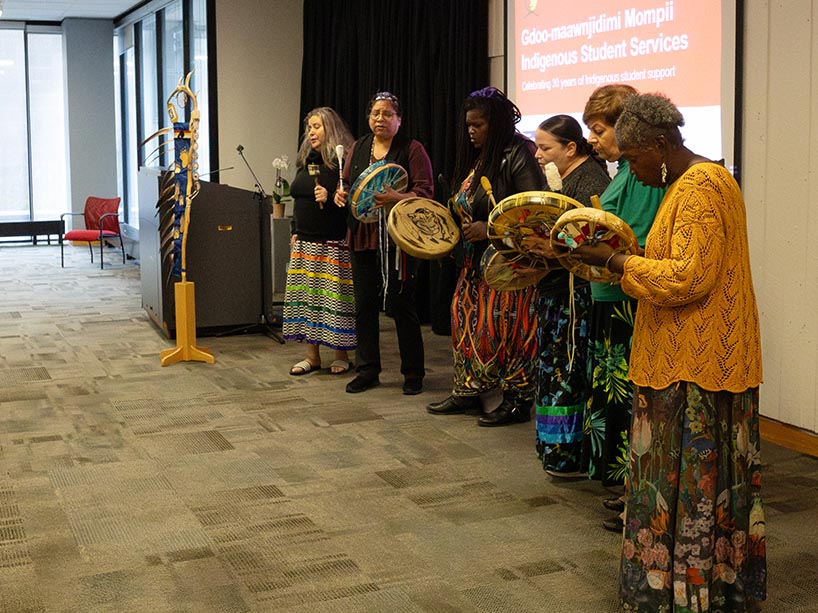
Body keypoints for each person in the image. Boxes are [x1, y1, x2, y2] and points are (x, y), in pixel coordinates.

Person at [572, 92, 766, 612]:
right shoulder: (693, 182)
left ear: (660, 144)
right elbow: (681, 262)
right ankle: (709, 586)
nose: (630, 172)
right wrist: (627, 255)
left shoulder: (700, 187)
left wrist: (616, 264)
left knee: (688, 489)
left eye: (632, 159)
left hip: (693, 366)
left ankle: (688, 591)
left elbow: (686, 278)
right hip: (694, 360)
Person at [426, 86, 545, 426]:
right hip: (475, 265)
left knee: (508, 331)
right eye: (467, 125)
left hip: (508, 265)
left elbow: (533, 213)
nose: (471, 131)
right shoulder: (482, 157)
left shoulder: (519, 153)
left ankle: (518, 399)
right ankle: (468, 391)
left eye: (477, 124)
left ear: (496, 123)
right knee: (466, 324)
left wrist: (489, 229)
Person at [581, 84, 666, 530]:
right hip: (608, 293)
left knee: (635, 398)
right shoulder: (622, 173)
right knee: (619, 399)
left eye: (598, 130)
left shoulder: (644, 174)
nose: (592, 140)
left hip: (628, 296)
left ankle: (642, 492)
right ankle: (633, 486)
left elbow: (640, 235)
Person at [334, 92, 433, 395]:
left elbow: (425, 193)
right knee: (364, 305)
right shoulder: (359, 147)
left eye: (388, 114)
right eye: (376, 113)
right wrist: (342, 195)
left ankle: (413, 373)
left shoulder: (412, 149)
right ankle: (368, 369)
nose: (380, 118)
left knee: (402, 306)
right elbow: (350, 186)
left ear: (399, 120)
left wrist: (396, 198)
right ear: (369, 118)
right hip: (363, 237)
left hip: (397, 240)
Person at [527, 114, 610, 474]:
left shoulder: (590, 180)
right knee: (557, 368)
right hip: (559, 291)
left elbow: (592, 242)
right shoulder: (570, 178)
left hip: (574, 297)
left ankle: (567, 453)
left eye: (545, 148)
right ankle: (555, 448)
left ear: (570, 147)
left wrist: (552, 249)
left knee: (568, 369)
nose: (538, 155)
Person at [283, 107, 356, 375]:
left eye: (317, 127)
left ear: (330, 129)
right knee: (308, 300)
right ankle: (312, 356)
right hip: (304, 241)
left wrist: (331, 196)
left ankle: (342, 354)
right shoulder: (307, 159)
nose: (311, 132)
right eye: (309, 127)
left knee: (333, 300)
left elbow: (349, 203)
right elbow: (299, 198)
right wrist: (294, 228)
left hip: (331, 242)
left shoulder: (342, 162)